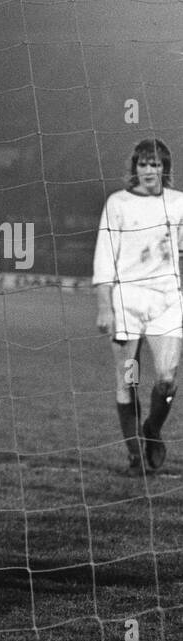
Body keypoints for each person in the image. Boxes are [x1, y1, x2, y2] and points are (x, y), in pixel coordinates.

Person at [94, 138, 183, 474]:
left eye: (156, 164)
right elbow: (104, 258)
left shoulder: (178, 204)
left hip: (166, 302)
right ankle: (134, 455)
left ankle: (153, 429)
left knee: (167, 381)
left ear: (165, 169)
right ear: (135, 168)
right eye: (144, 164)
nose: (149, 170)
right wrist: (105, 306)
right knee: (128, 379)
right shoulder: (117, 204)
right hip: (127, 302)